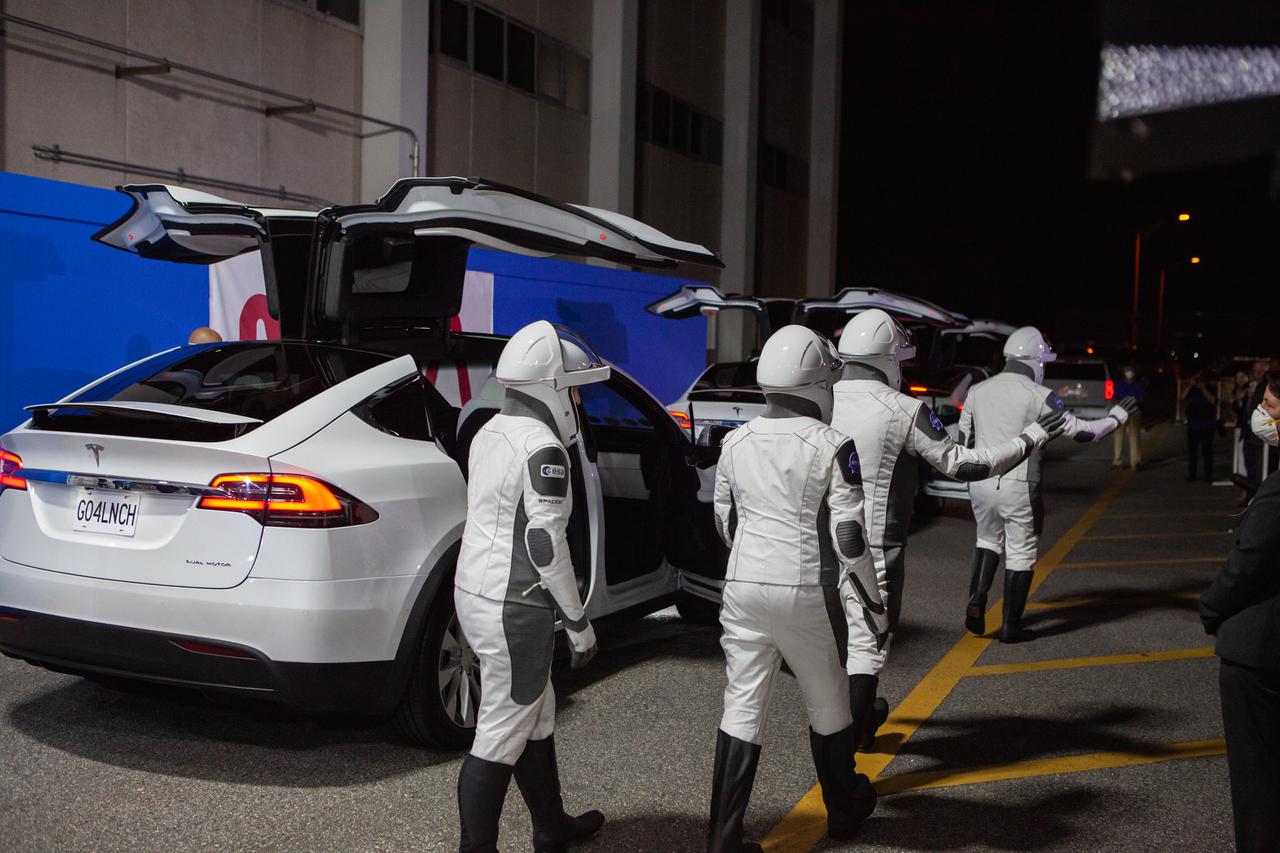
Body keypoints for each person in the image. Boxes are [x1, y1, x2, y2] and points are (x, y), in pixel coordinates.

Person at [831, 309, 1066, 747]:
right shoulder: (903, 408)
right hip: (875, 544)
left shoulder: (820, 398)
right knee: (868, 648)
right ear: (888, 360)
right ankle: (852, 747)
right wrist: (1030, 438)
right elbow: (964, 464)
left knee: (833, 646)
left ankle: (853, 725)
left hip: (817, 544)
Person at [708, 325, 879, 852]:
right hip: (803, 587)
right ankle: (845, 808)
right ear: (817, 385)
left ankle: (723, 837)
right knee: (828, 699)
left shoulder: (734, 440)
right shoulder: (832, 444)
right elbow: (849, 538)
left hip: (742, 586)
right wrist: (871, 603)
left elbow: (723, 519)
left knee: (741, 705)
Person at [453, 321, 609, 853]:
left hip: (474, 591)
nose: (579, 397)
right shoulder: (544, 449)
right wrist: (578, 621)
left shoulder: (486, 431)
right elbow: (544, 544)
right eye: (574, 386)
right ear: (553, 388)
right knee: (501, 729)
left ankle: (550, 825)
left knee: (534, 710)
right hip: (514, 605)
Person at [959, 327, 1136, 643]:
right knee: (1021, 551)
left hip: (982, 482)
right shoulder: (1041, 396)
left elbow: (965, 439)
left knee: (986, 540)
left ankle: (978, 595)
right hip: (1021, 483)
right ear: (1036, 361)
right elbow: (1083, 433)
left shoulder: (977, 390)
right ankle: (1011, 626)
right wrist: (1117, 418)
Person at [1200, 371, 1280, 852]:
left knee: (1258, 783)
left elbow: (1244, 566)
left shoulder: (1276, 492)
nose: (1264, 414)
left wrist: (1209, 609)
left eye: (1271, 405)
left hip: (1260, 653)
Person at [1181, 371, 1218, 482]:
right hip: (1193, 424)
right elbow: (1182, 398)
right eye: (1197, 380)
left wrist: (1203, 389)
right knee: (1192, 451)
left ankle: (1208, 475)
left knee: (1207, 451)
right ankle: (1192, 474)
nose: (1198, 382)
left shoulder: (1211, 388)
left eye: (1201, 380)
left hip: (1207, 424)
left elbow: (1212, 401)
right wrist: (1190, 385)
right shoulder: (1191, 389)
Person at [1112, 364, 1146, 469]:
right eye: (1127, 370)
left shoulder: (1139, 384)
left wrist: (1134, 404)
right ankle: (1117, 462)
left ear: (1134, 372)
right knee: (1118, 436)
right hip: (1121, 411)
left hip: (1134, 411)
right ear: (1124, 372)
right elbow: (1114, 397)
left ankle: (1136, 462)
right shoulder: (1119, 384)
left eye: (1131, 370)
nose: (1129, 373)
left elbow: (1142, 398)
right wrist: (1119, 405)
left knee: (1135, 436)